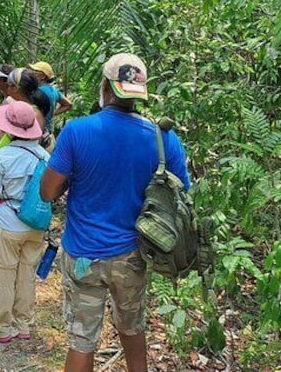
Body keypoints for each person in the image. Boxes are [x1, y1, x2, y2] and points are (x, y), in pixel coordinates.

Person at [39, 53, 191, 372]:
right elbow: (181, 195)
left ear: (106, 88)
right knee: (132, 329)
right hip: (132, 255)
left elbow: (47, 192)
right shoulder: (164, 140)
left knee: (82, 340)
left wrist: (74, 179)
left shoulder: (77, 132)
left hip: (84, 255)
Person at [0, 101, 49, 343]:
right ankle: (23, 324)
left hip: (7, 223)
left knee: (4, 276)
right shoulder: (45, 156)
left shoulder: (2, 156)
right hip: (35, 224)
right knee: (26, 275)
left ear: (9, 128)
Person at [28, 60, 73, 126]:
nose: (32, 73)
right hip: (48, 131)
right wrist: (52, 114)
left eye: (36, 71)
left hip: (39, 130)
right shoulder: (54, 90)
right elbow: (68, 104)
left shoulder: (39, 91)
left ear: (43, 76)